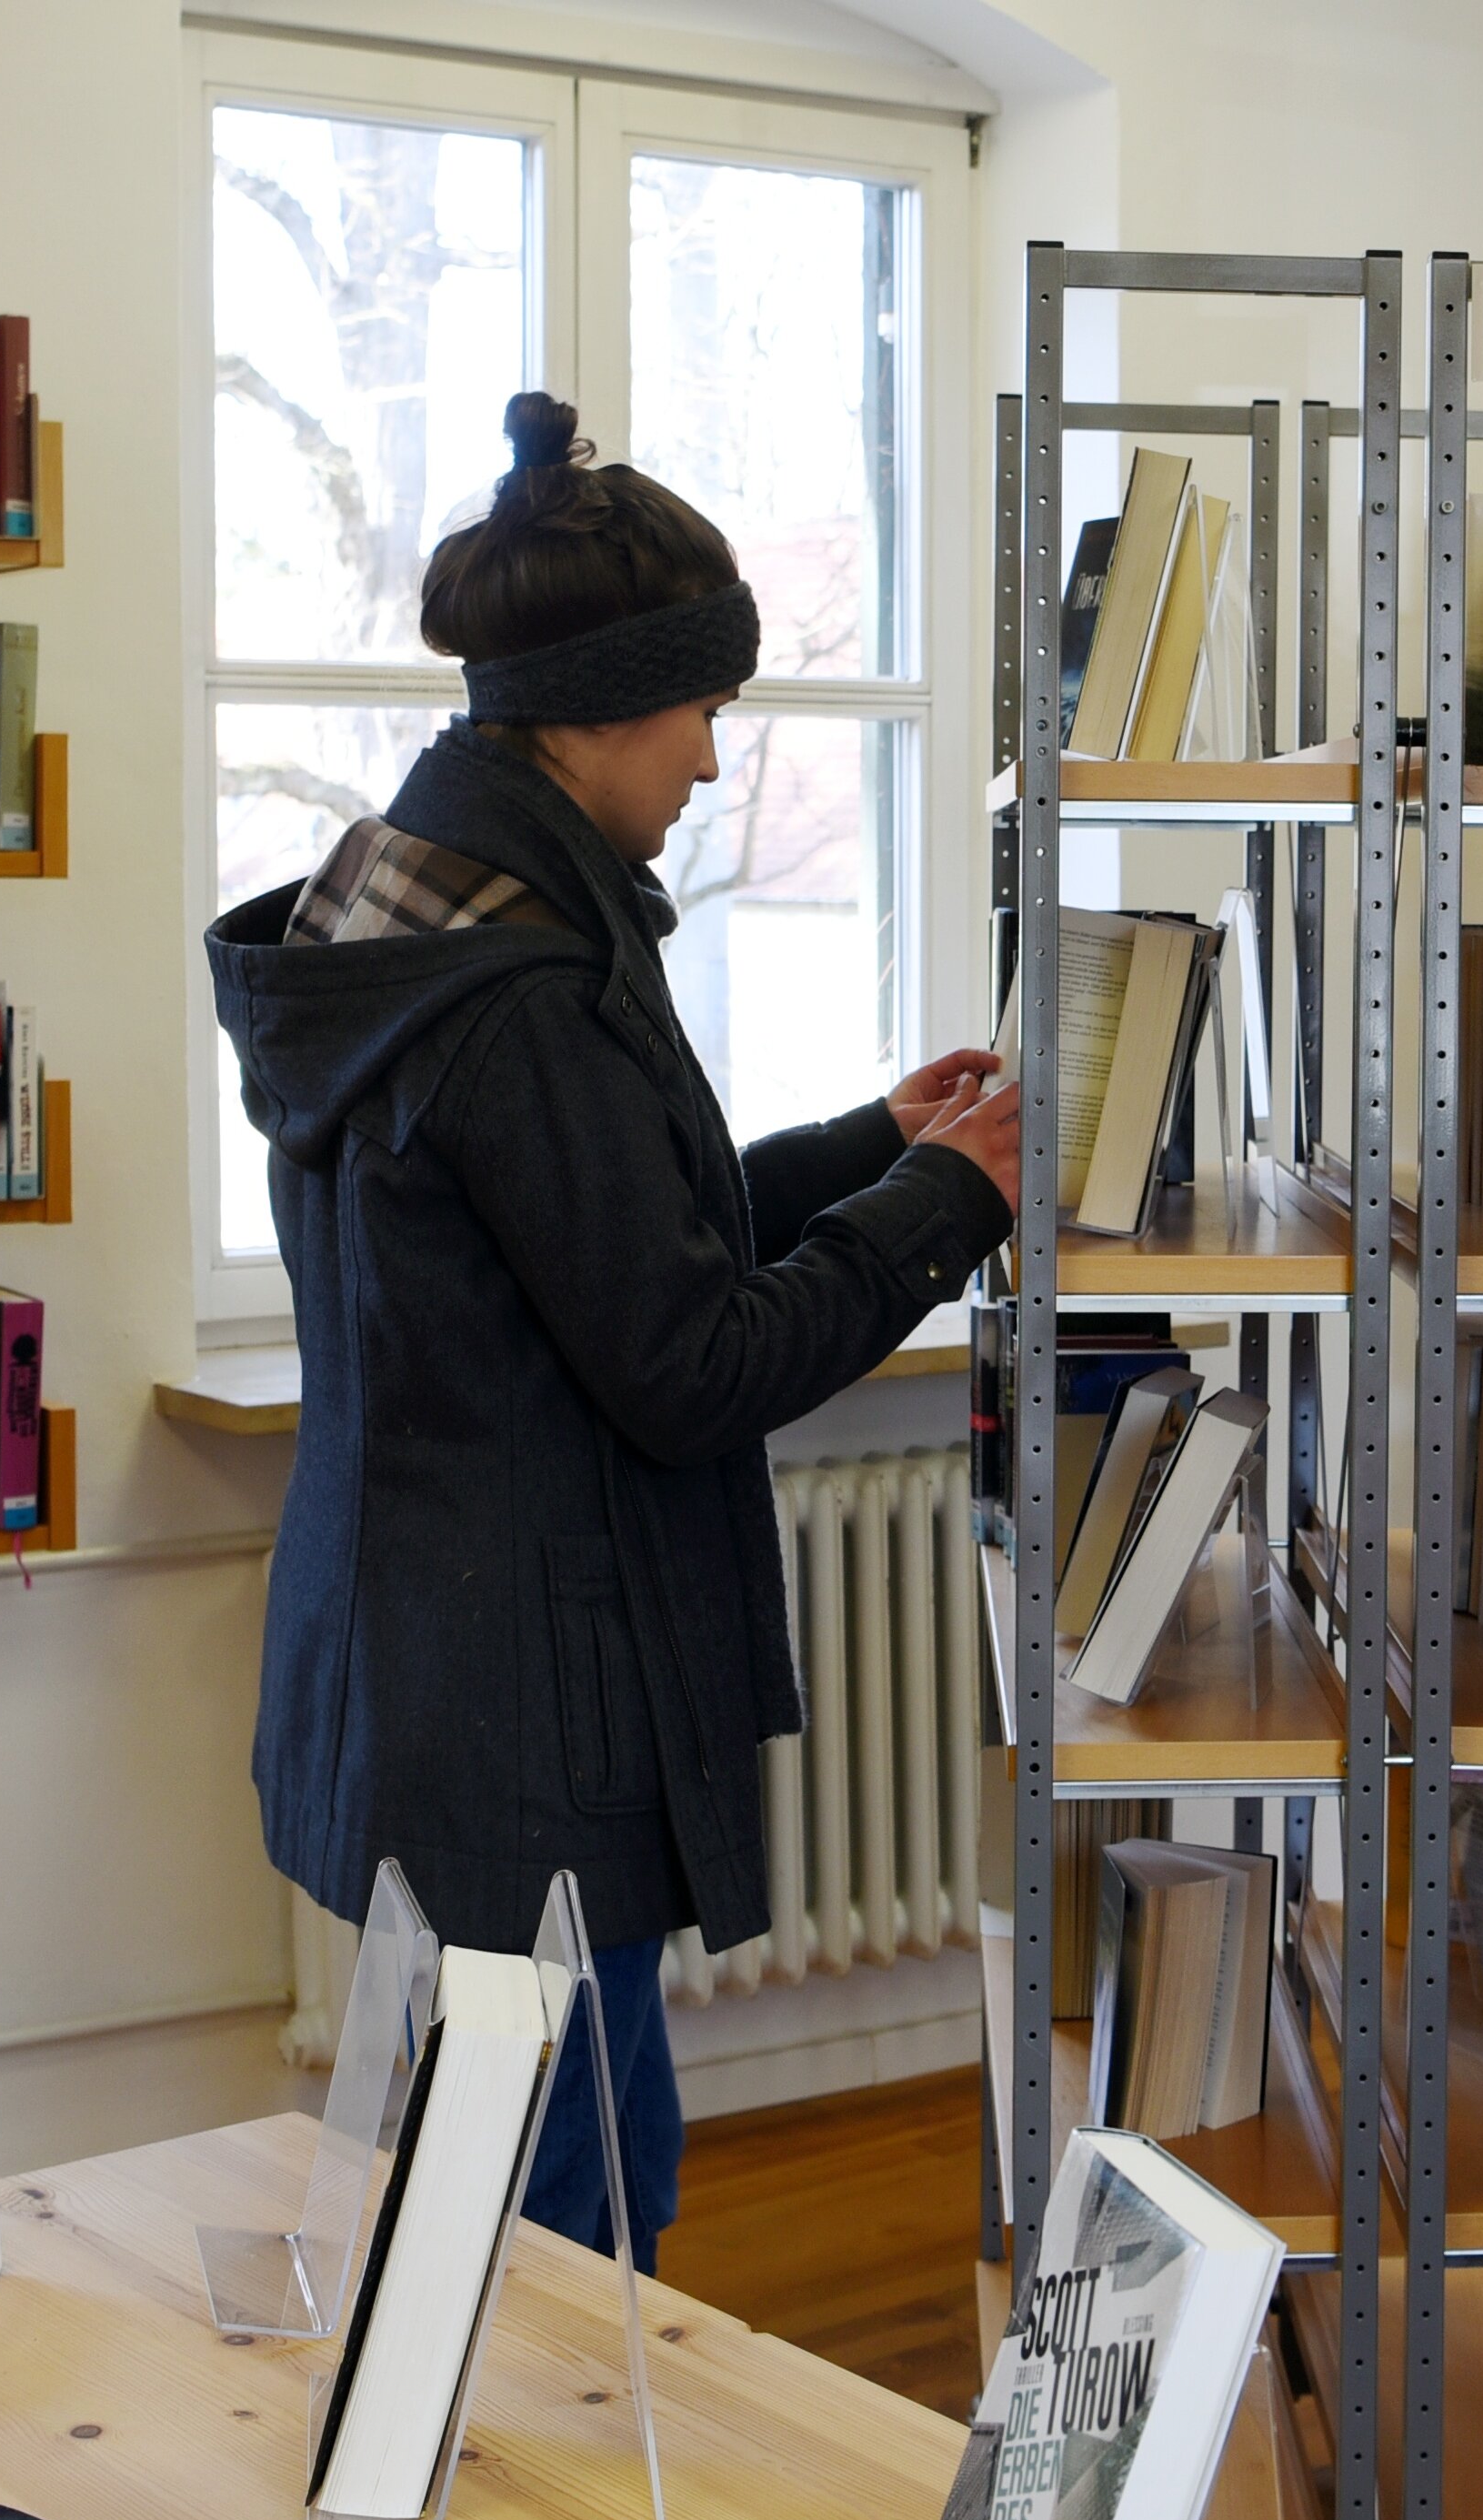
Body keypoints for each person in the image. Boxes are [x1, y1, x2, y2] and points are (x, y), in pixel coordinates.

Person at [207, 392, 1024, 2266]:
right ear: (593, 712)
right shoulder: (520, 995)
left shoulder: (417, 915)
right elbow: (689, 1364)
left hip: (426, 1661)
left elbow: (590, 1244)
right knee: (565, 2227)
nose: (715, 765)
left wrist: (871, 1149)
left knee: (542, 2175)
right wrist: (952, 1203)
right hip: (523, 1709)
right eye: (700, 713)